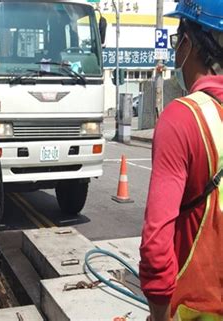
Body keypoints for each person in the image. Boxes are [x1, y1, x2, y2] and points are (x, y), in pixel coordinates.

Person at [139, 1, 223, 321]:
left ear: (188, 43)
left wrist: (160, 316)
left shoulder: (182, 119)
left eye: (178, 40)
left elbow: (156, 246)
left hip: (195, 310)